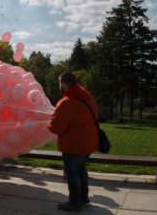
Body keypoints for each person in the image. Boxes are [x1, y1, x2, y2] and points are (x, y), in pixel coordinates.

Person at [48, 72, 98, 212]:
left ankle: (74, 203)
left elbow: (55, 127)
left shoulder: (66, 103)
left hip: (73, 145)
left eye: (59, 83)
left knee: (72, 172)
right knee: (81, 170)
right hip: (89, 142)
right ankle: (83, 198)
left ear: (63, 83)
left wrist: (49, 122)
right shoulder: (87, 96)